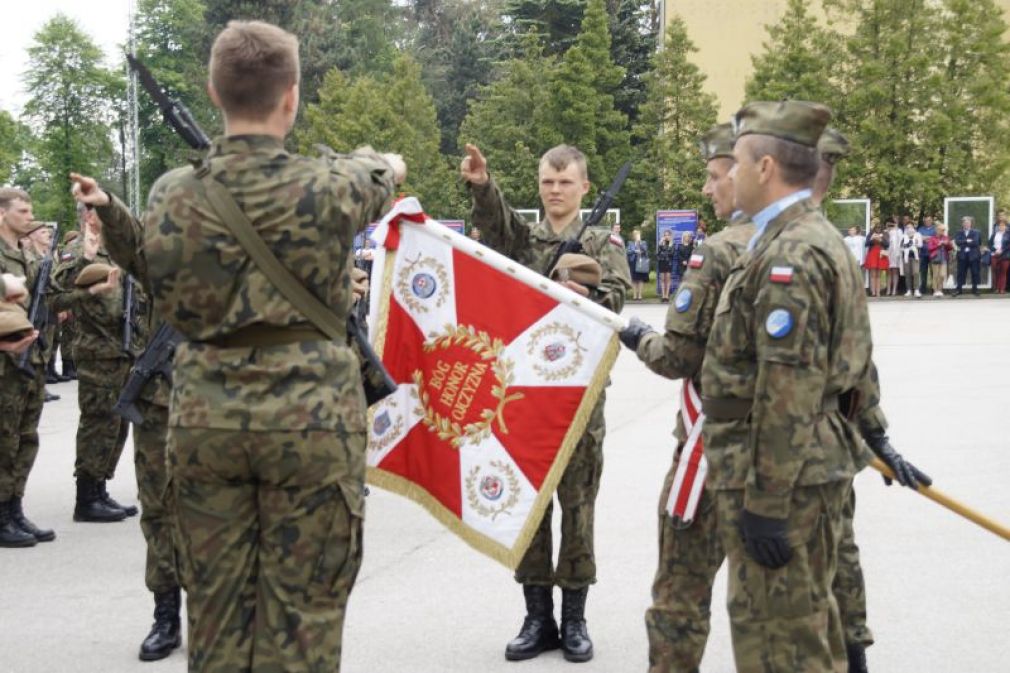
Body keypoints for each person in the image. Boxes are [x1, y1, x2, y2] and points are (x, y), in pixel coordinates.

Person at [128, 21, 402, 672]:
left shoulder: (172, 193)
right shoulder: (330, 186)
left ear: (213, 92)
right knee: (304, 617)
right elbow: (380, 172)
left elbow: (164, 291)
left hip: (206, 419)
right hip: (310, 425)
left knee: (217, 613)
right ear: (292, 97)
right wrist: (383, 160)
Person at [700, 101, 872, 673]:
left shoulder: (791, 255)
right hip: (800, 472)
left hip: (782, 481)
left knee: (779, 646)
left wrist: (766, 504)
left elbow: (788, 386)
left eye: (739, 163)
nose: (730, 174)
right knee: (803, 633)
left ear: (767, 166)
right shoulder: (803, 236)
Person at [461, 141, 630, 663]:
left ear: (583, 186)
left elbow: (621, 296)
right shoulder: (526, 239)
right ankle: (538, 617)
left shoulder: (602, 241)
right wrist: (483, 185)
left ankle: (575, 619)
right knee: (531, 504)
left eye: (565, 182)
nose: (555, 191)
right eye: (547, 182)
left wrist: (589, 296)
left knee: (577, 506)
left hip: (579, 397)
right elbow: (497, 225)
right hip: (524, 396)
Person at [618, 122, 755, 672]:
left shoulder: (719, 253)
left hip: (716, 451)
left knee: (680, 596)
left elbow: (678, 356)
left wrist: (636, 338)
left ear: (746, 176)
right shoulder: (814, 242)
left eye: (714, 177)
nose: (708, 189)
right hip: (788, 455)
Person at [70, 175, 184, 660]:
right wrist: (107, 205)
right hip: (161, 405)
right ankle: (165, 613)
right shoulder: (160, 263)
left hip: (227, 407)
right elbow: (130, 243)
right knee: (158, 510)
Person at [51, 205, 140, 523]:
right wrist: (87, 261)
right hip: (97, 351)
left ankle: (101, 487)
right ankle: (86, 496)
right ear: (89, 216)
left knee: (117, 424)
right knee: (97, 423)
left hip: (124, 349)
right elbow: (57, 297)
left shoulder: (117, 248)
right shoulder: (77, 251)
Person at [0, 187, 53, 547]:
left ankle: (14, 507)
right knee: (3, 440)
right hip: (5, 358)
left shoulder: (26, 255)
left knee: (25, 439)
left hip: (30, 357)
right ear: (3, 213)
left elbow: (44, 298)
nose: (29, 215)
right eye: (22, 210)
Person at [954, 215, 981, 296]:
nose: (966, 224)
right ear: (962, 224)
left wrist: (964, 242)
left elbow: (976, 242)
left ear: (971, 224)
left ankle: (975, 289)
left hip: (973, 256)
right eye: (965, 223)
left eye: (968, 223)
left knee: (975, 272)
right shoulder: (959, 232)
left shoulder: (976, 232)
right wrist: (967, 241)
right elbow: (957, 242)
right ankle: (959, 289)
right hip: (962, 256)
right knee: (961, 273)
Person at [927, 224, 954, 297]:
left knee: (942, 275)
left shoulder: (946, 237)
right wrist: (938, 245)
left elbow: (950, 248)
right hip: (935, 258)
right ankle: (935, 290)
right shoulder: (932, 238)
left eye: (944, 230)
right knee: (935, 275)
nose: (943, 231)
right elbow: (929, 248)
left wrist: (947, 244)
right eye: (942, 230)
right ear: (937, 230)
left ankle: (940, 289)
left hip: (943, 258)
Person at [863, 223, 888, 297]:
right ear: (874, 228)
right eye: (877, 227)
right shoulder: (870, 234)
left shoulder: (884, 234)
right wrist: (872, 239)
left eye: (879, 227)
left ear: (881, 228)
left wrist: (880, 240)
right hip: (872, 254)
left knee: (878, 275)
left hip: (881, 254)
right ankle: (873, 291)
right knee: (873, 274)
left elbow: (887, 245)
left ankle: (878, 292)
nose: (878, 229)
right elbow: (866, 244)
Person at [900, 222, 922, 297]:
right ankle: (908, 290)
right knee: (907, 273)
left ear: (913, 227)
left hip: (915, 257)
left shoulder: (918, 235)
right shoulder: (903, 236)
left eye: (910, 227)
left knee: (916, 272)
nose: (909, 228)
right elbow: (901, 247)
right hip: (906, 257)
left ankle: (916, 289)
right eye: (907, 227)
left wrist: (915, 244)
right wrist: (907, 246)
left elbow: (920, 245)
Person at [916, 215, 936, 296]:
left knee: (933, 271)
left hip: (932, 253)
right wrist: (928, 238)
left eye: (929, 220)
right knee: (923, 271)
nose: (927, 222)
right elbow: (918, 238)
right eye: (926, 221)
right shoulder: (920, 229)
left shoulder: (935, 229)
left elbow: (935, 238)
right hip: (922, 253)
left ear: (931, 221)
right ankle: (923, 287)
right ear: (924, 221)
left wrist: (925, 238)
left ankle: (933, 287)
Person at [628, 228, 649, 300]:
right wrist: (635, 251)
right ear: (633, 236)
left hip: (641, 262)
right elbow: (628, 251)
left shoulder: (643, 242)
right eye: (636, 235)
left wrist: (639, 243)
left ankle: (640, 295)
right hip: (633, 262)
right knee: (634, 279)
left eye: (638, 234)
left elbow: (645, 250)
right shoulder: (630, 243)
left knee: (640, 279)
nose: (637, 236)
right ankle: (634, 295)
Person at [989, 214, 1008, 293]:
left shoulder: (1008, 234)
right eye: (1000, 225)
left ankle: (1002, 289)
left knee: (1003, 272)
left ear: (1005, 226)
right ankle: (996, 288)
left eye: (1003, 225)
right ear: (997, 226)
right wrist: (995, 250)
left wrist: (1002, 250)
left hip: (1005, 255)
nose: (1001, 227)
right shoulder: (994, 234)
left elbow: (1009, 245)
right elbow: (989, 244)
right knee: (996, 271)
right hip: (995, 255)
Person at [655, 229, 675, 301]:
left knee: (668, 279)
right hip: (662, 262)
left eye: (668, 235)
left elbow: (671, 253)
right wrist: (660, 244)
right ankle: (663, 295)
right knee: (663, 279)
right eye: (665, 235)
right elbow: (657, 253)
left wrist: (668, 248)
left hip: (668, 263)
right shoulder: (661, 243)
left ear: (670, 236)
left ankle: (667, 295)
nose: (666, 236)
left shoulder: (672, 243)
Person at [885, 218, 902, 295]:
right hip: (887, 253)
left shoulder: (899, 231)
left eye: (893, 223)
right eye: (889, 224)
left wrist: (896, 227)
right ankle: (888, 289)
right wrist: (888, 230)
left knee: (895, 271)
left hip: (895, 253)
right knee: (888, 271)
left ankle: (894, 289)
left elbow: (901, 240)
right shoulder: (885, 231)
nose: (891, 225)